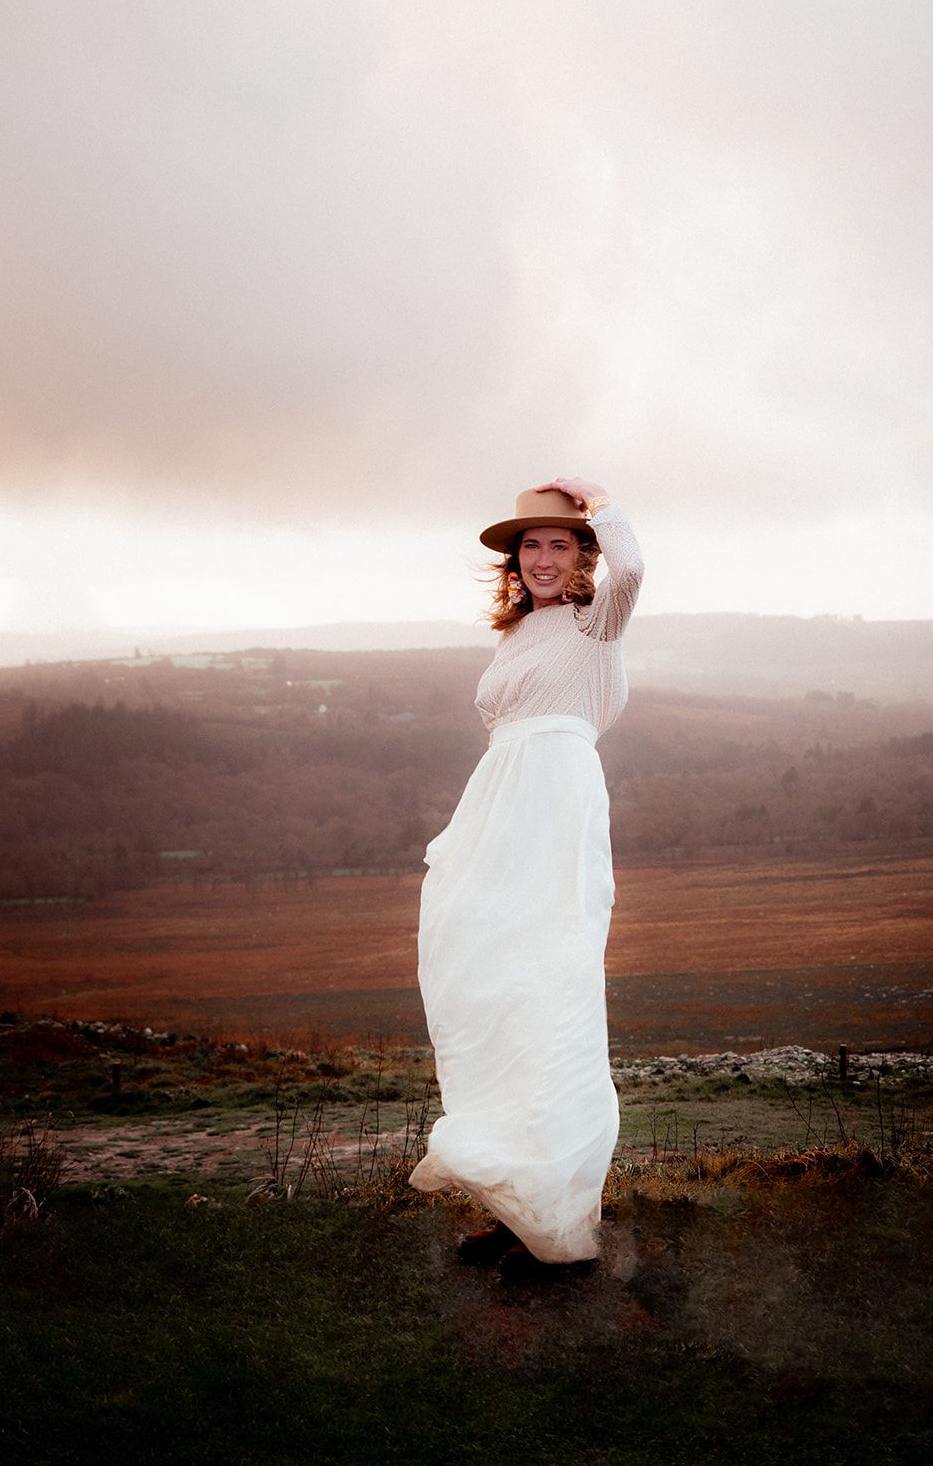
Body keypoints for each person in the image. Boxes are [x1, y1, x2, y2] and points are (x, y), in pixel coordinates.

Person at [408, 476, 644, 1272]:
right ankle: (514, 1202)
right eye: (531, 546)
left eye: (560, 544)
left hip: (555, 809)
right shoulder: (515, 635)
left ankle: (558, 1213)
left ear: (582, 557)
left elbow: (634, 568)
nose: (544, 558)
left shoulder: (595, 623)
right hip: (498, 810)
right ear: (516, 560)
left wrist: (601, 504)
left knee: (551, 997)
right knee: (490, 989)